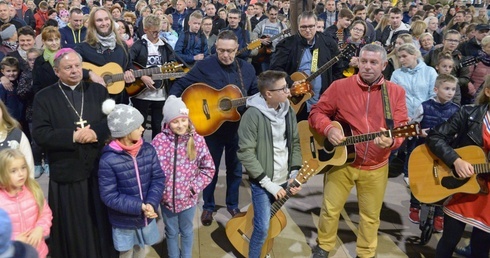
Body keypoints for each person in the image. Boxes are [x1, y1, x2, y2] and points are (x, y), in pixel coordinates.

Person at [309, 44, 409, 258]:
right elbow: (317, 112)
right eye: (364, 62)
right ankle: (324, 245)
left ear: (383, 65)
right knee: (330, 209)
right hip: (342, 163)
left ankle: (366, 252)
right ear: (357, 62)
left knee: (371, 216)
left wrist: (391, 143)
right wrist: (327, 129)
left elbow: (401, 127)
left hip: (376, 165)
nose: (367, 67)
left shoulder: (395, 92)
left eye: (373, 63)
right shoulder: (339, 86)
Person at [169, 30, 258, 226]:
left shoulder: (247, 70)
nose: (226, 55)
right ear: (215, 48)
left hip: (238, 129)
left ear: (237, 50)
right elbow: (182, 83)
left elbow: (255, 94)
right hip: (211, 129)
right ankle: (208, 206)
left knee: (235, 169)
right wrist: (173, 105)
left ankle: (232, 204)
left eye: (230, 51)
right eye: (221, 51)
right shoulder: (205, 65)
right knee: (211, 169)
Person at [32, 49, 115, 258]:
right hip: (66, 169)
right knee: (74, 225)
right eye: (68, 67)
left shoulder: (97, 91)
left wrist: (95, 131)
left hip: (97, 167)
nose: (74, 71)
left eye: (78, 66)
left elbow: (112, 121)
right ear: (56, 71)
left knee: (99, 220)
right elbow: (41, 134)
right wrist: (73, 136)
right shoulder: (44, 97)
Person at [237, 70, 302, 258]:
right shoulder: (252, 116)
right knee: (262, 227)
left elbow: (295, 142)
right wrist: (269, 184)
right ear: (268, 94)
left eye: (286, 86)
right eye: (283, 89)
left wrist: (294, 174)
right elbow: (246, 154)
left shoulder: (288, 109)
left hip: (284, 179)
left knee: (272, 222)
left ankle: (265, 250)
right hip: (263, 183)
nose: (288, 91)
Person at [426, 74, 490, 258]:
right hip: (462, 187)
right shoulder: (468, 112)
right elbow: (435, 136)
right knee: (449, 241)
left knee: (480, 249)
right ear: (488, 91)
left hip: (488, 198)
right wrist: (456, 160)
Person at [98, 99, 165, 258]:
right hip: (123, 222)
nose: (143, 128)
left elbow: (158, 178)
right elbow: (109, 196)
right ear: (125, 131)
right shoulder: (108, 160)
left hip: (146, 217)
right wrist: (140, 206)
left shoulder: (148, 150)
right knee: (126, 252)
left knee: (142, 249)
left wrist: (151, 203)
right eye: (138, 126)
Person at [151, 95, 215, 258]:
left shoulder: (198, 140)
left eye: (183, 120)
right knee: (171, 232)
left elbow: (208, 168)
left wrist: (194, 188)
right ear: (167, 122)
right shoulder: (159, 141)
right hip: (166, 201)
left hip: (188, 200)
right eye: (175, 121)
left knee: (186, 231)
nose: (180, 125)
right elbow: (151, 169)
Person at [270, 11, 342, 121]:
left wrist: (330, 88)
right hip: (296, 101)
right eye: (303, 27)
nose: (307, 30)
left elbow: (339, 69)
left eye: (311, 26)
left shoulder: (328, 43)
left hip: (322, 100)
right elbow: (275, 68)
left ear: (316, 25)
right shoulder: (287, 44)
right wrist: (291, 83)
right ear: (298, 27)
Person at [410, 74, 459, 232]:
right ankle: (415, 206)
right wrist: (419, 132)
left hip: (445, 153)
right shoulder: (424, 106)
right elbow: (412, 125)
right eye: (446, 88)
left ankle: (439, 214)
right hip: (423, 149)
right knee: (420, 179)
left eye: (453, 89)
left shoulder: (457, 110)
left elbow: (459, 130)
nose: (450, 92)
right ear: (436, 89)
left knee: (443, 183)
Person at [390, 43, 437, 185]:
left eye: (404, 56)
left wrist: (422, 116)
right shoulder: (396, 74)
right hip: (403, 117)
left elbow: (433, 95)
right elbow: (393, 97)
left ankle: (410, 173)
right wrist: (403, 116)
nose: (401, 60)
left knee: (416, 148)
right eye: (399, 57)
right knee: (392, 145)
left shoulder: (430, 72)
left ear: (414, 55)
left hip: (424, 117)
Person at [75, 7, 135, 105]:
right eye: (99, 20)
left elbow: (129, 66)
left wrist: (130, 75)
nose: (104, 23)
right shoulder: (83, 48)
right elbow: (69, 67)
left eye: (106, 19)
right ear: (93, 24)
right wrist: (89, 74)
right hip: (93, 103)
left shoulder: (122, 46)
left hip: (120, 102)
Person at [130, 14, 176, 139]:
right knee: (140, 125)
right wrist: (142, 77)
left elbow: (173, 64)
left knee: (158, 125)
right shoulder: (138, 46)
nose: (157, 34)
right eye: (154, 32)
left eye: (159, 31)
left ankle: (157, 151)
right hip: (141, 92)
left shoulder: (165, 47)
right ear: (145, 30)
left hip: (160, 93)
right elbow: (128, 63)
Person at [0, 149, 52, 258]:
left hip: (38, 252)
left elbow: (45, 213)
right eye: (13, 171)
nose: (21, 174)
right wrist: (13, 241)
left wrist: (40, 229)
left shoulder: (33, 189)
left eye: (23, 168)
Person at [425, 30, 471, 105]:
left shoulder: (461, 59)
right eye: (450, 40)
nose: (453, 43)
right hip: (431, 88)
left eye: (456, 41)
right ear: (443, 40)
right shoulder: (433, 53)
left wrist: (450, 80)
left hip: (452, 92)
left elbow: (465, 79)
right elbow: (423, 68)